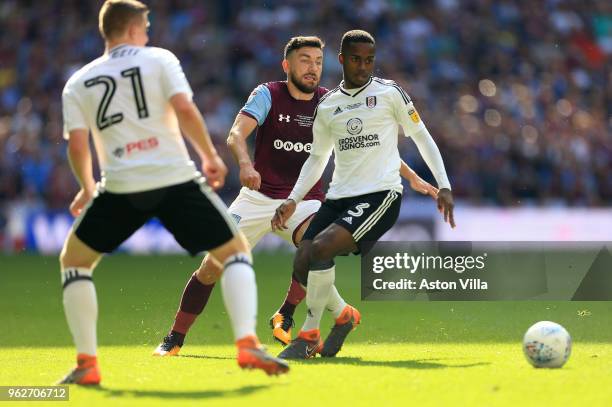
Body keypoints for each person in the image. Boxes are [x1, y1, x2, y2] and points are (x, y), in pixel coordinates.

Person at [154, 36, 439, 356]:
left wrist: (413, 178)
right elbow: (236, 134)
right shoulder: (268, 94)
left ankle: (291, 315)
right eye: (305, 60)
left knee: (313, 247)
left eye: (318, 62)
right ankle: (175, 338)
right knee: (211, 267)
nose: (312, 68)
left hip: (304, 200)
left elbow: (374, 146)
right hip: (256, 198)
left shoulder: (331, 102)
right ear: (287, 65)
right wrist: (245, 164)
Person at [58, 0, 288, 384]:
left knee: (75, 262)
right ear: (132, 29)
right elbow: (183, 107)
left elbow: (78, 145)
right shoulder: (159, 60)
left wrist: (85, 187)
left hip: (121, 185)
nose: (148, 33)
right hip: (173, 178)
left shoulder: (78, 81)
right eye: (145, 26)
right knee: (234, 253)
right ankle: (247, 343)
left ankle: (86, 364)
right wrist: (210, 156)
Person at [271, 29, 455, 359]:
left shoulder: (390, 94)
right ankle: (343, 317)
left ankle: (309, 335)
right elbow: (317, 157)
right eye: (356, 59)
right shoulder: (327, 105)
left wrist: (444, 184)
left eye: (369, 60)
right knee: (303, 260)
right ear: (342, 59)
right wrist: (292, 199)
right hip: (339, 196)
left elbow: (422, 137)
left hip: (380, 195)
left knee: (322, 249)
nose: (363, 66)